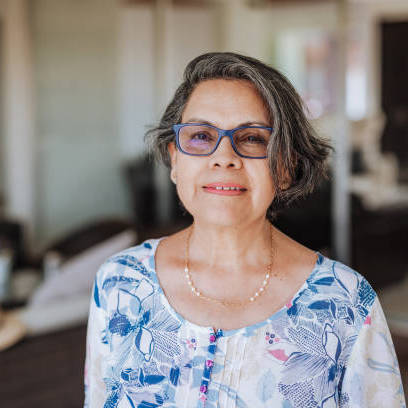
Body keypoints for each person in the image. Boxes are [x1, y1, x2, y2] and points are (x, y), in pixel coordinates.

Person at [84, 52, 406, 408]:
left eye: (252, 137)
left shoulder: (346, 301)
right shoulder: (120, 282)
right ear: (175, 159)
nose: (224, 157)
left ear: (286, 167)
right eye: (201, 135)